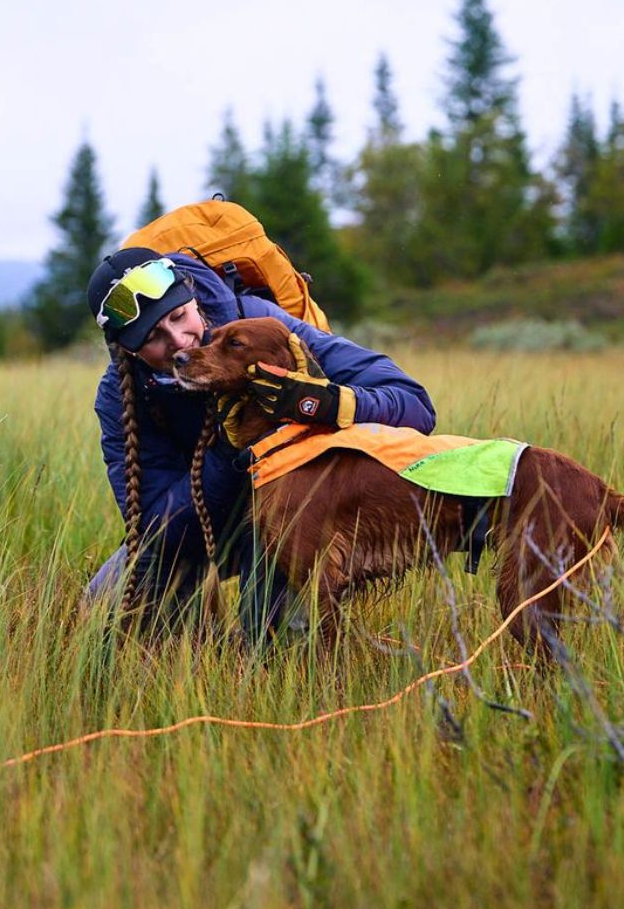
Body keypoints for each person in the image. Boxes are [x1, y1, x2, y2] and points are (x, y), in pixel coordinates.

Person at [85, 246, 436, 644]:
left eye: (179, 316)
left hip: (298, 507)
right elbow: (159, 530)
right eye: (153, 338)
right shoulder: (119, 397)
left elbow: (416, 407)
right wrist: (231, 452)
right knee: (104, 606)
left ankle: (294, 654)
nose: (179, 341)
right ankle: (199, 655)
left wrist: (321, 403)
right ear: (128, 350)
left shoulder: (265, 327)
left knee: (275, 635)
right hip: (208, 522)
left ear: (192, 296)